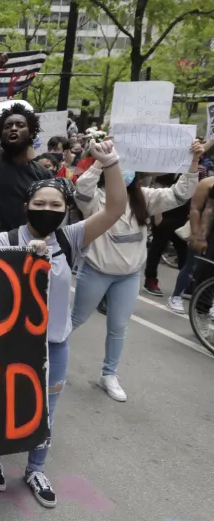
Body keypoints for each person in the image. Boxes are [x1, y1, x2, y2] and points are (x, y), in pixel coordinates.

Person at [0, 139, 127, 508]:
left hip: (54, 344)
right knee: (2, 401)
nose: (47, 210)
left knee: (45, 410)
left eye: (55, 205)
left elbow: (114, 210)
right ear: (26, 207)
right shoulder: (7, 238)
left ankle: (35, 468)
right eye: (39, 203)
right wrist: (21, 259)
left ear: (66, 210)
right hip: (10, 343)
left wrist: (110, 163)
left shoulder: (71, 237)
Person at [69, 141, 203, 402]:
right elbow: (82, 188)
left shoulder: (147, 199)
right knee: (75, 320)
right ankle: (44, 355)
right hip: (96, 272)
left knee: (118, 327)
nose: (123, 171)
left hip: (129, 276)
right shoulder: (95, 199)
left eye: (126, 166)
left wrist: (194, 162)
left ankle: (109, 374)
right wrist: (101, 159)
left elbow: (180, 193)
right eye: (118, 165)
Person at [0, 52, 53, 231]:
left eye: (20, 125)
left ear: (31, 133)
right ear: (0, 134)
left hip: (27, 249)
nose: (13, 128)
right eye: (7, 126)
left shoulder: (43, 175)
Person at [170, 176, 214, 313]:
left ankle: (207, 301)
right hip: (202, 229)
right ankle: (175, 297)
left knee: (209, 270)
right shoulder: (207, 183)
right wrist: (197, 235)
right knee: (191, 265)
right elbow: (195, 208)